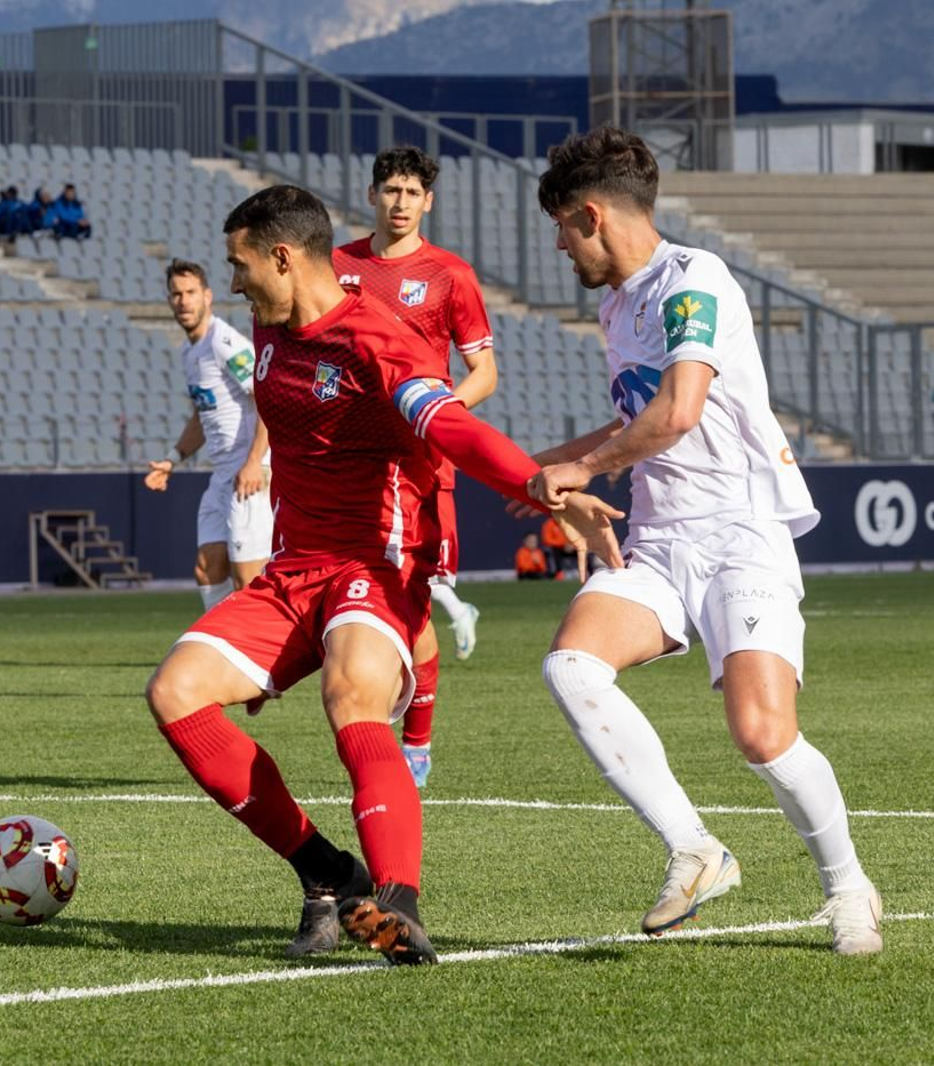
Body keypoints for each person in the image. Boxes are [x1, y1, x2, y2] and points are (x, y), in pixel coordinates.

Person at [143, 184, 622, 966]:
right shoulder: (267, 332)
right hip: (295, 568)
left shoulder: (375, 338)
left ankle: (397, 902)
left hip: (379, 562)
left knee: (350, 695)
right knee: (174, 692)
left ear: (282, 256)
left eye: (238, 265)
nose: (232, 283)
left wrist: (541, 487)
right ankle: (326, 872)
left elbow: (454, 428)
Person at [527, 126, 883, 955]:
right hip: (658, 540)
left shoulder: (696, 281)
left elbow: (678, 412)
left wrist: (586, 470)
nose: (556, 245)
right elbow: (633, 422)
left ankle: (849, 887)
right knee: (571, 667)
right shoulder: (620, 304)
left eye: (560, 227)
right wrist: (534, 469)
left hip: (740, 535)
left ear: (591, 215)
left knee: (761, 734)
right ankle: (695, 848)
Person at [333, 146, 497, 787]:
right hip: (345, 461)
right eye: (390, 190)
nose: (399, 202)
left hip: (420, 463)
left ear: (428, 201)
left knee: (413, 600)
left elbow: (484, 372)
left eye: (411, 192)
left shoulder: (450, 274)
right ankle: (374, 727)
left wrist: (437, 410)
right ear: (371, 193)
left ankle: (416, 745)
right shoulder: (338, 266)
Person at [144, 260, 272, 610]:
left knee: (248, 578)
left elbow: (266, 395)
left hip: (249, 473)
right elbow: (203, 415)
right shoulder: (190, 352)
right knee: (208, 568)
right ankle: (220, 650)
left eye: (190, 293)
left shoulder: (224, 341)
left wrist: (253, 463)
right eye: (176, 294)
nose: (183, 301)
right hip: (222, 476)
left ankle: (263, 656)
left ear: (207, 296)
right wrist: (172, 459)